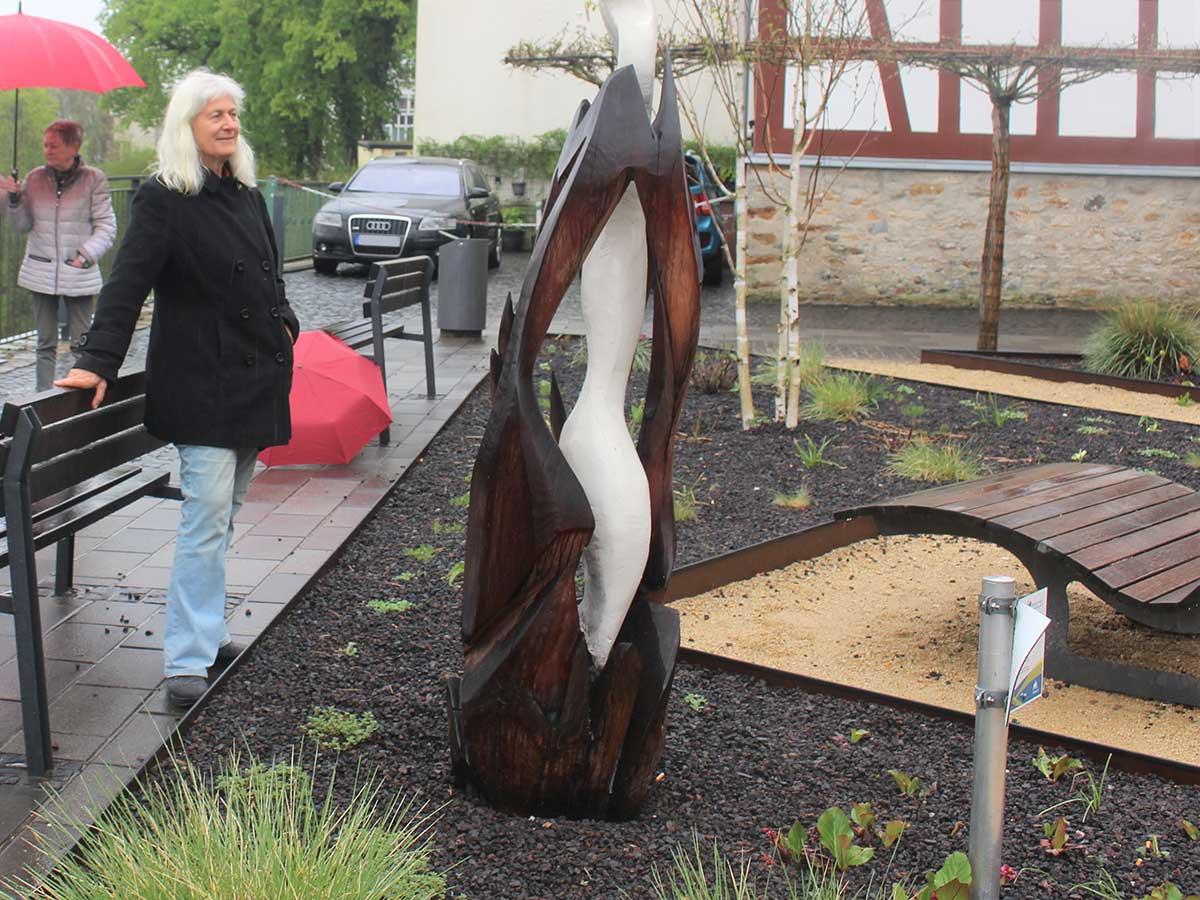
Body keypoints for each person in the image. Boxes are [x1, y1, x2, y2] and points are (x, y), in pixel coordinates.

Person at [55, 70, 300, 708]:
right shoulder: (166, 196)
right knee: (204, 522)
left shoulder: (242, 190)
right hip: (204, 384)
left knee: (222, 517)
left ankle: (208, 629)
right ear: (187, 125)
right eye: (214, 114)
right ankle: (187, 657)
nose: (229, 124)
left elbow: (269, 276)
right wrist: (99, 357)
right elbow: (128, 280)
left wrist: (287, 319)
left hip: (254, 378)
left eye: (233, 114)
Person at [1, 120, 117, 391]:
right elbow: (21, 226)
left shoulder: (94, 179)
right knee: (44, 344)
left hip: (78, 272)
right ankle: (42, 402)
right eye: (45, 145)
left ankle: (78, 404)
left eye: (53, 145)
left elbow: (107, 226)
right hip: (39, 271)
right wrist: (15, 200)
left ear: (73, 147)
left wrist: (85, 255)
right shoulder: (34, 178)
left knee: (82, 344)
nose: (47, 151)